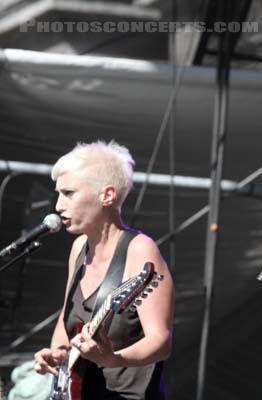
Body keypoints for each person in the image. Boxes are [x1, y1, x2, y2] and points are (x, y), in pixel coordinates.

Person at [33, 140, 174, 399]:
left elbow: (161, 341)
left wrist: (113, 358)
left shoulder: (140, 249)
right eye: (59, 194)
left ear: (107, 195)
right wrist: (58, 355)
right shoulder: (79, 248)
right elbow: (68, 319)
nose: (58, 205)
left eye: (69, 193)